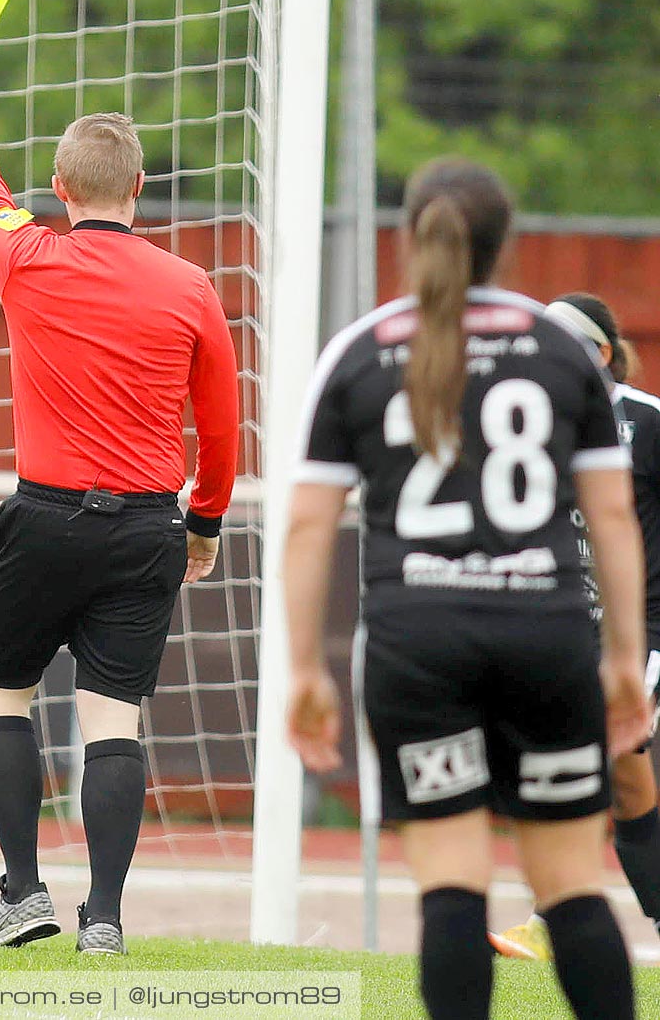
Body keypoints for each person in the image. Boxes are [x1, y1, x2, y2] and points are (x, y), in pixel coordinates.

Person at [285, 159, 647, 1020]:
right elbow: (614, 517)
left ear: (412, 236)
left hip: (419, 644)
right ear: (503, 244)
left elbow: (305, 526)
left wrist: (304, 666)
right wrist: (627, 654)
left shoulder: (360, 350)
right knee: (570, 888)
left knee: (452, 887)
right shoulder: (561, 349)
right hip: (548, 637)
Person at [0, 13, 240, 953]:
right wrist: (206, 523)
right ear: (140, 190)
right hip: (147, 527)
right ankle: (103, 918)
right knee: (115, 719)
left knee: (2, 695)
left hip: (43, 520)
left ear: (61, 190)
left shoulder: (26, 253)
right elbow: (223, 426)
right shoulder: (191, 286)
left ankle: (22, 893)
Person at [490, 292, 660, 960]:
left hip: (644, 628)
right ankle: (551, 919)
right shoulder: (534, 426)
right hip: (568, 626)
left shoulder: (645, 421)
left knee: (616, 765)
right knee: (586, 769)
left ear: (602, 353)